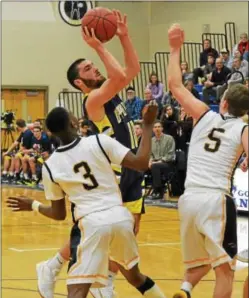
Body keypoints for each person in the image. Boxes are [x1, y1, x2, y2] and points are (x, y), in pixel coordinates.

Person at [33, 10, 144, 298]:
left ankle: (105, 280)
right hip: (115, 173)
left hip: (132, 169)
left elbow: (131, 69)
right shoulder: (93, 100)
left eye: (94, 65)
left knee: (127, 234)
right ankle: (54, 265)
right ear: (79, 84)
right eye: (88, 69)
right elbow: (120, 74)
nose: (95, 69)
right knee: (101, 232)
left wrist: (124, 35)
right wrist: (99, 46)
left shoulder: (111, 90)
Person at [7, 105, 167, 298]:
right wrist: (148, 125)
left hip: (91, 224)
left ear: (51, 133)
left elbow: (59, 214)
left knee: (76, 290)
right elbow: (141, 163)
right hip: (120, 218)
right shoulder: (99, 141)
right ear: (74, 123)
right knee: (135, 277)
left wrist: (33, 204)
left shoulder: (50, 166)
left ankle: (53, 269)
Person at [167, 24, 249, 298]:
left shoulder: (203, 114)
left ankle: (185, 289)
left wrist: (175, 47)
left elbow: (175, 85)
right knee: (226, 269)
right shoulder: (243, 129)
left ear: (223, 104)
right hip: (216, 200)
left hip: (188, 200)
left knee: (201, 259)